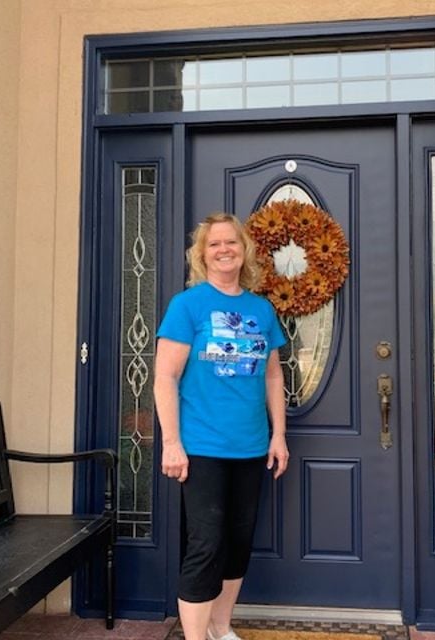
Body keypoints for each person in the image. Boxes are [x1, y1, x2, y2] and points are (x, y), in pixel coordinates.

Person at [154, 212, 289, 640]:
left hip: (250, 446)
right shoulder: (187, 306)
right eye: (215, 244)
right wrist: (172, 442)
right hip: (202, 448)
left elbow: (272, 376)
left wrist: (279, 435)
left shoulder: (260, 309)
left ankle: (220, 627)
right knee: (206, 546)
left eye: (231, 242)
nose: (224, 249)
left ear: (244, 249)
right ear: (202, 254)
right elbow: (165, 377)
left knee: (238, 543)